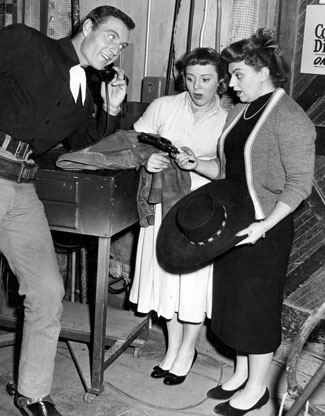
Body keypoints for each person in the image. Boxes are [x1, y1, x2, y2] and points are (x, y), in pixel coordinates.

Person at [0, 5, 135, 416]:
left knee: (46, 290)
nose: (115, 49)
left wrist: (111, 109)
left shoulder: (84, 93)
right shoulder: (26, 42)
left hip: (21, 188)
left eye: (123, 45)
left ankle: (32, 391)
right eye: (111, 36)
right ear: (87, 26)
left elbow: (82, 147)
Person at [205, 28, 316, 415]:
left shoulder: (291, 118)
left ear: (263, 70)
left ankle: (257, 388)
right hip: (234, 222)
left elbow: (300, 184)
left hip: (266, 228)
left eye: (238, 75)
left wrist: (265, 224)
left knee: (257, 310)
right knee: (234, 304)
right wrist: (194, 163)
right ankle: (239, 372)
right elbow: (227, 168)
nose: (231, 84)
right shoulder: (239, 110)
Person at [129, 47, 228, 385]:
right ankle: (172, 348)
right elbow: (135, 142)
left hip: (201, 211)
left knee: (193, 284)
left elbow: (228, 171)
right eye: (190, 78)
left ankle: (188, 350)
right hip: (162, 203)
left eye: (206, 79)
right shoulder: (163, 107)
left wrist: (195, 163)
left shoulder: (228, 119)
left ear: (221, 81)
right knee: (166, 280)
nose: (196, 86)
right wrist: (148, 160)